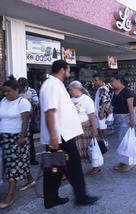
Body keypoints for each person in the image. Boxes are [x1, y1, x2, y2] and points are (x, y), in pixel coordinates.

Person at [40, 60, 98, 209]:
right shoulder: (51, 85)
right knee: (73, 168)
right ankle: (81, 197)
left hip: (61, 136)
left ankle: (51, 199)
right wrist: (54, 136)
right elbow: (50, 112)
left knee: (54, 170)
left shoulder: (56, 84)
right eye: (68, 69)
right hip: (60, 137)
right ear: (62, 69)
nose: (69, 72)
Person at [0, 76, 35, 209]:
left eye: (9, 91)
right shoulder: (3, 101)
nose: (6, 93)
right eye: (4, 91)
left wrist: (22, 137)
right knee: (16, 162)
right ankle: (30, 180)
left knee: (13, 165)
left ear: (16, 90)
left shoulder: (23, 102)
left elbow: (26, 122)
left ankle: (9, 196)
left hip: (18, 138)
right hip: (4, 137)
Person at [69, 81, 101, 175]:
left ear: (77, 89)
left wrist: (94, 129)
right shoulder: (71, 100)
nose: (70, 92)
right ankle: (77, 167)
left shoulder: (87, 100)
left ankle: (96, 166)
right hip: (75, 128)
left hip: (86, 128)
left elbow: (91, 116)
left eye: (71, 90)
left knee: (90, 149)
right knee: (77, 149)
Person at [110, 75, 136, 172]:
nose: (111, 83)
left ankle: (128, 163)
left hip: (125, 118)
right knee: (120, 142)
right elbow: (112, 105)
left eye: (113, 81)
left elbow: (131, 106)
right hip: (117, 119)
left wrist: (132, 119)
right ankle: (122, 161)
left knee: (125, 141)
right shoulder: (114, 92)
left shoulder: (127, 91)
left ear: (119, 81)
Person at [17, 77, 39, 165]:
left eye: (23, 87)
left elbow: (36, 102)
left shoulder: (32, 91)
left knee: (30, 140)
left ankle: (32, 159)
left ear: (26, 86)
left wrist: (28, 101)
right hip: (19, 120)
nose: (22, 89)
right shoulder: (17, 91)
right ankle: (21, 159)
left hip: (30, 119)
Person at [93, 74, 111, 142]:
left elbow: (104, 101)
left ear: (100, 80)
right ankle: (104, 141)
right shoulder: (100, 88)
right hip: (99, 111)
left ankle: (105, 142)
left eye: (96, 80)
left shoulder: (103, 88)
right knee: (100, 128)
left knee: (102, 128)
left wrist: (102, 112)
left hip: (101, 111)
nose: (95, 82)